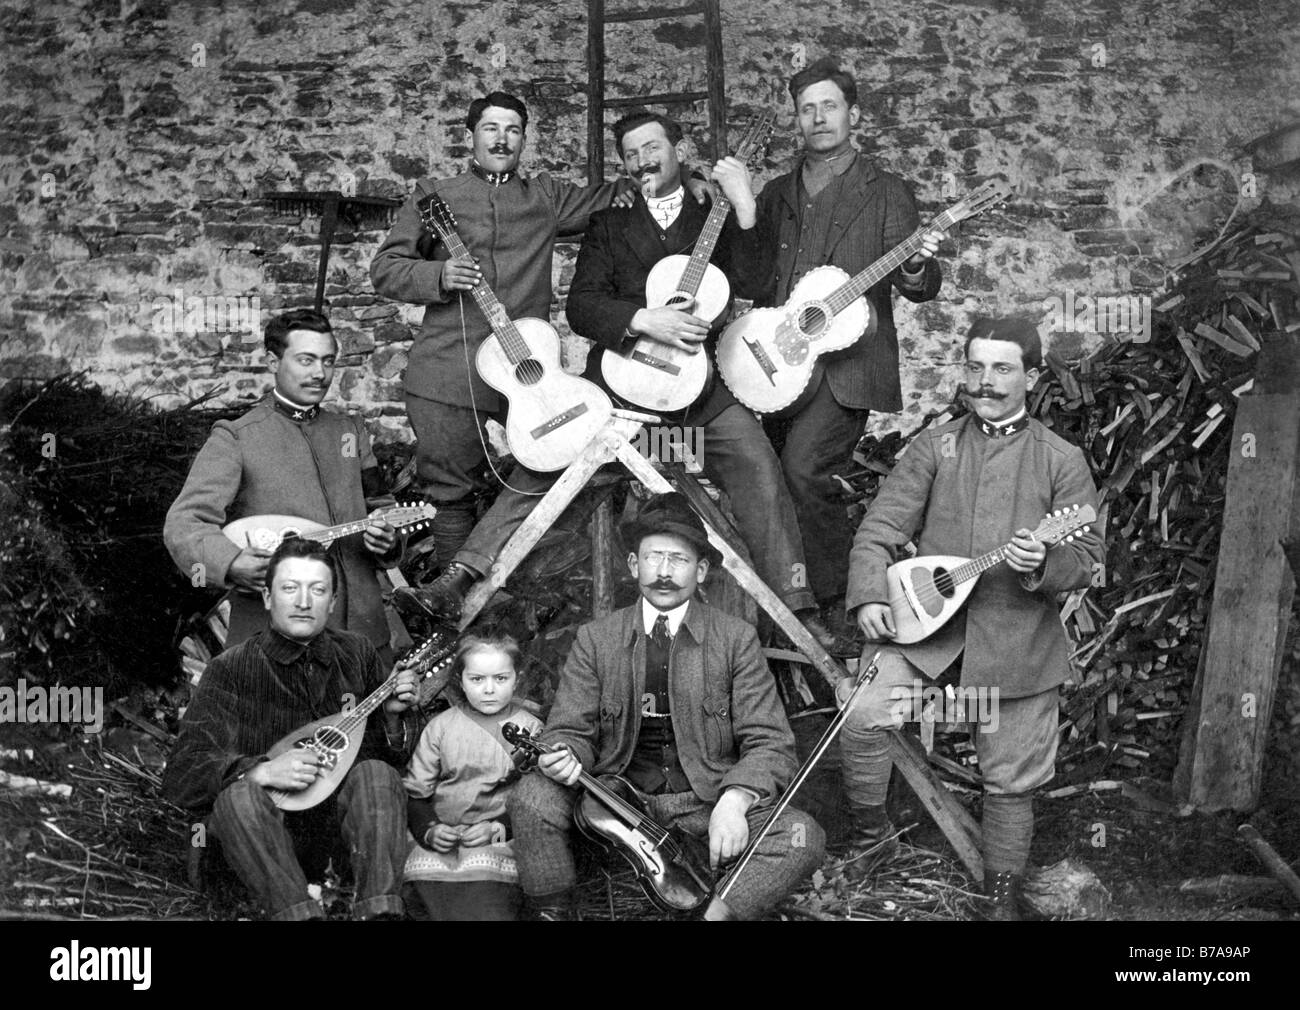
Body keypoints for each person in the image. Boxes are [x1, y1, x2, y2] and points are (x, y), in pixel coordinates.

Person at [408, 109, 836, 649]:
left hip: (692, 406)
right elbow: (584, 306)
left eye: (652, 147)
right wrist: (641, 320)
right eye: (631, 154)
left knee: (755, 463)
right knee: (546, 457)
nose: (642, 162)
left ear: (678, 150)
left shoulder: (713, 211)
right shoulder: (610, 222)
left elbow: (754, 279)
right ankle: (462, 576)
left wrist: (744, 203)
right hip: (619, 388)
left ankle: (798, 608)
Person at [837, 316, 1105, 918]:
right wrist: (872, 596)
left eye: (1003, 368)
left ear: (1032, 376)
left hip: (1015, 634)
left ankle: (998, 898)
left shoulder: (1060, 460)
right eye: (976, 366)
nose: (986, 382)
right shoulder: (938, 445)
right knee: (862, 714)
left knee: (1010, 777)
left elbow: (1088, 560)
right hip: (927, 626)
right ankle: (871, 841)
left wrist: (1044, 561)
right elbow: (880, 530)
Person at [508, 492, 825, 920]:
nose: (663, 572)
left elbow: (770, 741)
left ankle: (715, 913)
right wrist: (564, 755)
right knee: (531, 800)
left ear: (702, 571)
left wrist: (735, 801)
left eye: (678, 560)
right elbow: (569, 729)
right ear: (634, 565)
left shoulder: (735, 639)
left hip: (703, 804)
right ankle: (555, 912)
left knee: (802, 834)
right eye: (653, 558)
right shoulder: (596, 638)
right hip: (613, 804)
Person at [732, 57, 945, 626]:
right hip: (778, 362)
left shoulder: (887, 191)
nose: (818, 118)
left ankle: (835, 605)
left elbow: (918, 287)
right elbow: (752, 276)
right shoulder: (777, 193)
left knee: (805, 470)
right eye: (807, 109)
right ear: (797, 120)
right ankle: (783, 598)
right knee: (770, 474)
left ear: (853, 114)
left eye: (829, 106)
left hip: (847, 366)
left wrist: (918, 269)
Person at [161, 537, 420, 920]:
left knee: (377, 774)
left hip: (335, 843)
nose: (303, 601)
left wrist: (394, 716)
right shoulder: (230, 669)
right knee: (239, 797)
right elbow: (183, 777)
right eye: (289, 588)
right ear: (267, 598)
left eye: (317, 590)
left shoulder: (357, 653)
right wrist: (261, 770)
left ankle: (378, 912)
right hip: (262, 841)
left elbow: (379, 767)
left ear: (332, 602)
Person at [164, 309, 399, 657]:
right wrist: (231, 562)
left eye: (328, 361)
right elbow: (184, 524)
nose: (319, 374)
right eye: (306, 360)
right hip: (275, 641)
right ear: (273, 362)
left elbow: (381, 506)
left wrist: (388, 538)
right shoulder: (237, 438)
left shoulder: (350, 432)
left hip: (363, 634)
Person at [401, 630, 542, 921]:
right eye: (477, 679)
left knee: (487, 881)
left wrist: (497, 828)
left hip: (501, 837)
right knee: (424, 870)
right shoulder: (441, 727)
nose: (488, 689)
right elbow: (417, 794)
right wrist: (430, 830)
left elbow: (539, 799)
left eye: (500, 678)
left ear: (517, 678)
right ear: (460, 682)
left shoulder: (531, 729)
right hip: (447, 835)